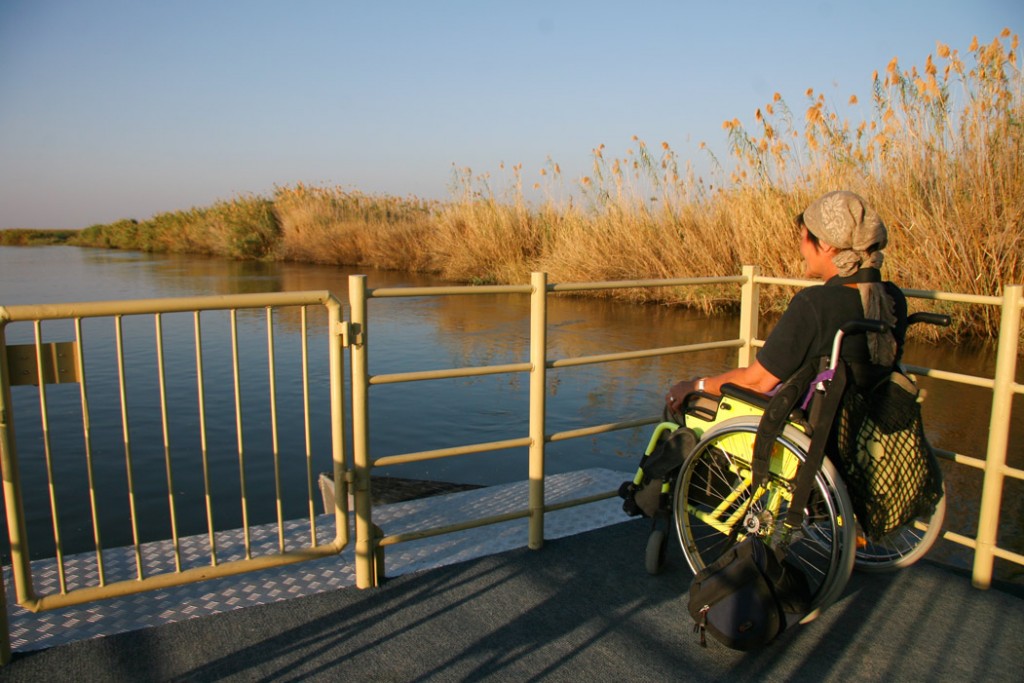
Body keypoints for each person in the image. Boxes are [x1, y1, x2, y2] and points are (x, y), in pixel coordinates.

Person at [665, 190, 908, 413]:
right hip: (858, 432)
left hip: (809, 436)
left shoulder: (815, 304)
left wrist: (696, 385)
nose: (801, 247)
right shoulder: (891, 299)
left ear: (824, 244)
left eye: (803, 237)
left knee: (682, 404)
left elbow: (758, 381)